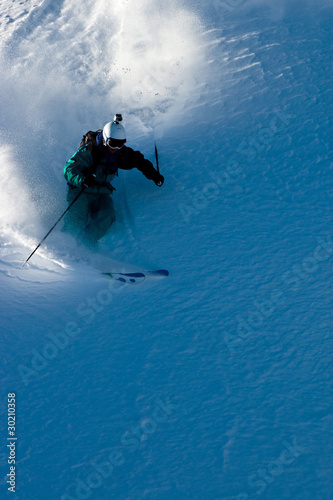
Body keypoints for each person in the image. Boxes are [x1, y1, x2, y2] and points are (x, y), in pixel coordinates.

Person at [63, 115, 164, 244]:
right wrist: (82, 180)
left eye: (120, 144)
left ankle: (86, 245)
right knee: (77, 218)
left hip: (101, 194)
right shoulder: (90, 151)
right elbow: (69, 168)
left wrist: (154, 175)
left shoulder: (120, 153)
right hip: (81, 190)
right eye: (112, 143)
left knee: (107, 215)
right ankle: (64, 245)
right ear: (105, 139)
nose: (115, 148)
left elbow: (139, 161)